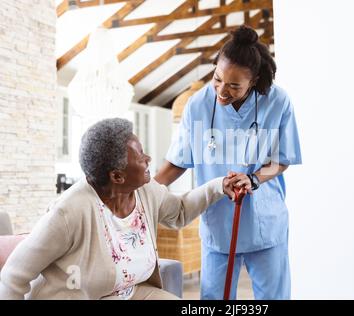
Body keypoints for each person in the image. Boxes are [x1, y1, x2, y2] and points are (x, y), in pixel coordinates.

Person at [0, 118, 250, 300]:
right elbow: (13, 275)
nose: (149, 159)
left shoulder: (144, 190)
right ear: (117, 176)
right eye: (141, 156)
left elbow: (180, 211)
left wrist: (220, 186)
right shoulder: (68, 212)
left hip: (129, 293)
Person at [155, 25, 302, 300]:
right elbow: (178, 160)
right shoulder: (197, 105)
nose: (222, 90)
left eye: (234, 85)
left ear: (254, 80)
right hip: (218, 224)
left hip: (266, 223)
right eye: (217, 79)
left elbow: (281, 160)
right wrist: (144, 191)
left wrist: (254, 178)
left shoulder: (277, 102)